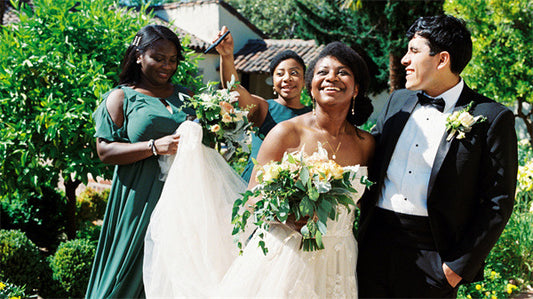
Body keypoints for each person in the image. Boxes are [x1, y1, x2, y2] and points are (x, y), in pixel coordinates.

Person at [142, 41, 374, 297]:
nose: (332, 77)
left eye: (342, 72)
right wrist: (286, 215)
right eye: (323, 72)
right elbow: (252, 198)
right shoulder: (286, 133)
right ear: (311, 87)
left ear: (356, 89)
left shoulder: (366, 144)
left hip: (340, 260)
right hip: (287, 258)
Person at [357, 15, 518, 298]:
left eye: (414, 51)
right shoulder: (397, 101)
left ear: (442, 59)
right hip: (373, 247)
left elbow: (497, 202)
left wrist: (456, 268)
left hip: (434, 257)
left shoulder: (491, 117)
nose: (404, 59)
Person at [86, 25, 194, 298]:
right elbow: (105, 151)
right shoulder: (121, 97)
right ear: (138, 56)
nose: (166, 65)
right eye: (158, 57)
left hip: (182, 199)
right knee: (125, 275)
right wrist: (153, 147)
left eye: (172, 60)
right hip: (138, 199)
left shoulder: (186, 97)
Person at [213, 26, 312, 182]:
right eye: (280, 74)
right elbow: (234, 90)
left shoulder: (313, 115)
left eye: (294, 73)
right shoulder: (263, 108)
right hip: (255, 190)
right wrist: (226, 56)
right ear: (273, 83)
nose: (287, 78)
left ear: (304, 81)